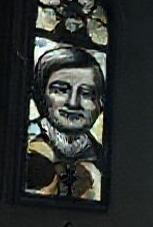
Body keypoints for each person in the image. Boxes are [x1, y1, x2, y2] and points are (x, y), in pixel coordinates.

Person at [26, 46, 107, 200]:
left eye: (86, 93)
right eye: (61, 90)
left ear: (100, 105)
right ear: (40, 95)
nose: (73, 103)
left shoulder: (102, 159)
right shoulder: (19, 147)